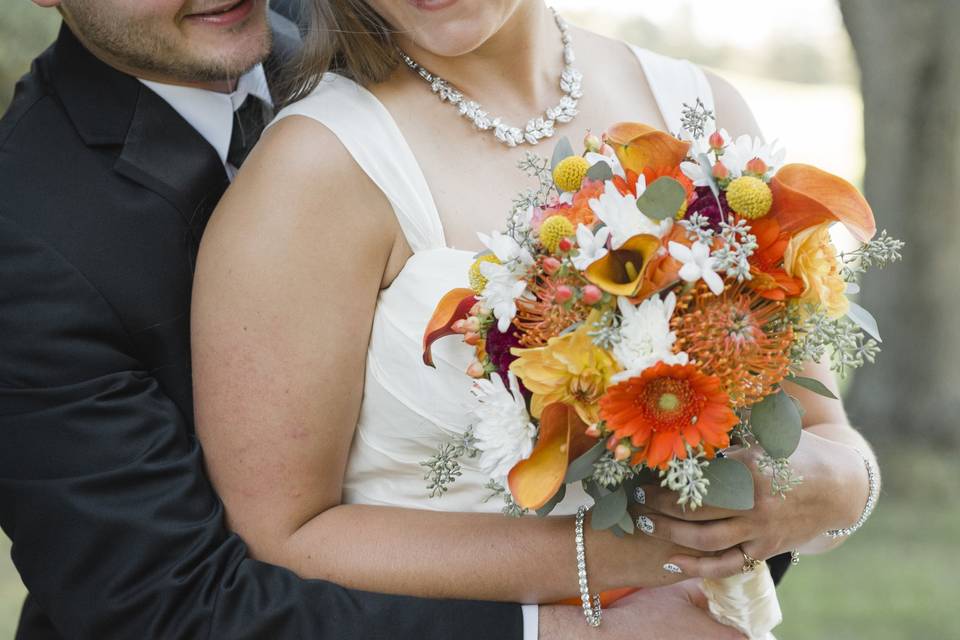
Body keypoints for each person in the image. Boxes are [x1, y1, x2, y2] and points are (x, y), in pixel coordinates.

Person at [0, 0, 692, 637]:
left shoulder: (371, 28)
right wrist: (565, 626)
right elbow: (169, 604)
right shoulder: (24, 237)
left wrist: (727, 533)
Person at [192, 0, 879, 634]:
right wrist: (627, 559)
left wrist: (840, 490)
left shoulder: (700, 108)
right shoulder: (312, 169)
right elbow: (281, 536)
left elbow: (822, 431)